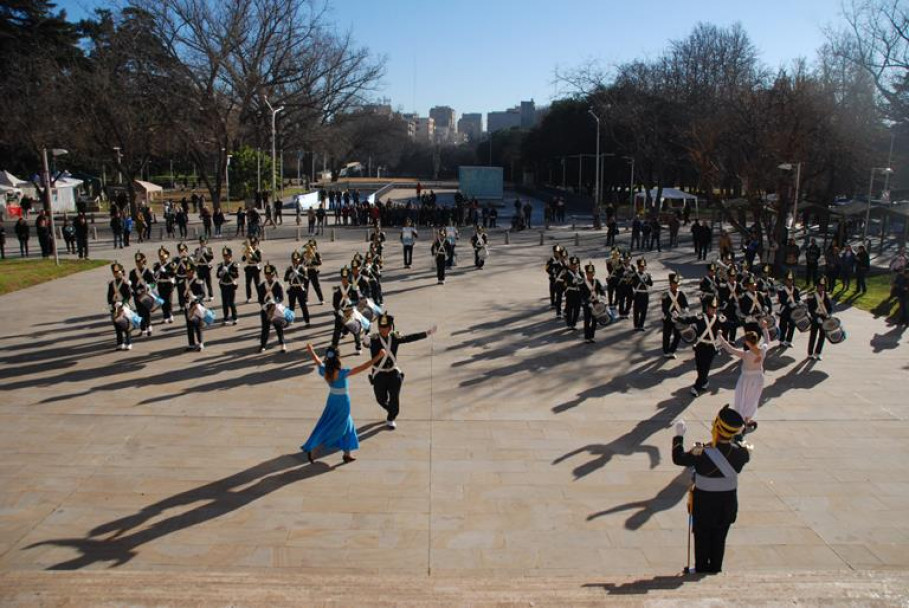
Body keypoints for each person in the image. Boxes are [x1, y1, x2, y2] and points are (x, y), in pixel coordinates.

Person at [672, 406, 751, 574]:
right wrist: (740, 433)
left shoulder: (702, 453)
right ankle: (716, 570)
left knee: (701, 539)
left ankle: (700, 569)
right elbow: (736, 443)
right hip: (726, 506)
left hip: (703, 505)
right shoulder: (742, 454)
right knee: (719, 539)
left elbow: (678, 459)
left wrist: (679, 437)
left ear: (716, 426)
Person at [301, 344, 382, 463]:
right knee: (337, 426)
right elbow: (363, 367)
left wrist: (311, 351)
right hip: (343, 402)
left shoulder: (325, 370)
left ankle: (347, 454)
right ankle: (314, 449)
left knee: (347, 425)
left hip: (332, 399)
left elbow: (318, 361)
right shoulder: (342, 372)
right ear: (338, 358)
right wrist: (378, 356)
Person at [367, 314, 436, 429]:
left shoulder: (394, 337)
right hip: (379, 374)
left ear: (390, 328)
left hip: (393, 373)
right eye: (380, 327)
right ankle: (392, 410)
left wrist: (426, 333)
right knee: (380, 399)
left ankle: (391, 418)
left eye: (385, 328)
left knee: (394, 398)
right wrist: (364, 341)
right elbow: (366, 344)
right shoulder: (373, 339)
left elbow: (409, 338)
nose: (382, 330)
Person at [718, 319, 771, 427]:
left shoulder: (746, 354)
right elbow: (767, 341)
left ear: (747, 342)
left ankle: (740, 419)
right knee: (752, 399)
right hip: (758, 378)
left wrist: (720, 337)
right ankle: (747, 418)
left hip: (746, 379)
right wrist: (765, 328)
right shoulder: (762, 350)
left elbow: (730, 349)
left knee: (741, 398)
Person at [690, 297, 724, 397]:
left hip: (710, 347)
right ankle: (704, 382)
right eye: (711, 308)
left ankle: (696, 387)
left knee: (705, 368)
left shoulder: (718, 320)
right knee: (700, 367)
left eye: (715, 309)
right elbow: (688, 320)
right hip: (700, 346)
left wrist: (743, 321)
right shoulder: (701, 318)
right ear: (707, 308)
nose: (713, 310)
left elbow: (731, 325)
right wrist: (677, 318)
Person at [331, 267, 363, 353]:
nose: (344, 280)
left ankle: (358, 347)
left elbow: (358, 301)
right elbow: (334, 303)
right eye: (342, 278)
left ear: (348, 278)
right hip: (341, 312)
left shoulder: (354, 288)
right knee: (337, 331)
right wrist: (339, 310)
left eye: (345, 278)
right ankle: (334, 347)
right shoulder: (337, 290)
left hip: (351, 312)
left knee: (355, 330)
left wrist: (350, 302)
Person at [257, 262, 287, 353]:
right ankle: (263, 345)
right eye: (266, 274)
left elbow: (281, 297)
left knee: (279, 328)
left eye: (270, 274)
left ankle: (282, 344)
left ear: (273, 274)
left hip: (275, 309)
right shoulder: (262, 285)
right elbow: (260, 298)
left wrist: (275, 302)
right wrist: (265, 306)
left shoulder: (277, 285)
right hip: (266, 309)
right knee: (265, 328)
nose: (268, 276)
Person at [661, 272, 690, 358]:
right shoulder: (665, 295)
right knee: (667, 335)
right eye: (674, 284)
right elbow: (664, 308)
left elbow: (686, 305)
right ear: (670, 284)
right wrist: (671, 316)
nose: (676, 286)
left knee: (678, 336)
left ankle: (672, 351)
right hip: (668, 318)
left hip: (678, 318)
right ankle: (666, 351)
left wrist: (685, 311)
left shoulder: (681, 294)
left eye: (677, 284)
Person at [107, 262, 133, 351]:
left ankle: (128, 342)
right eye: (114, 272)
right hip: (115, 306)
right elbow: (109, 295)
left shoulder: (125, 283)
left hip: (124, 306)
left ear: (121, 272)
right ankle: (120, 343)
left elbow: (128, 296)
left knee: (125, 325)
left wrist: (122, 304)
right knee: (117, 325)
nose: (116, 274)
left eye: (117, 272)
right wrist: (110, 305)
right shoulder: (111, 283)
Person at [129, 251, 156, 337]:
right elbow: (131, 284)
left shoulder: (148, 271)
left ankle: (149, 326)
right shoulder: (132, 272)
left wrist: (148, 286)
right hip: (137, 295)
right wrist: (134, 290)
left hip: (145, 294)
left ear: (143, 261)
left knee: (146, 312)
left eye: (139, 261)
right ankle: (143, 328)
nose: (138, 263)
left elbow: (153, 283)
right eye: (136, 262)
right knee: (140, 312)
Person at [807, 276, 833, 360]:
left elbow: (829, 307)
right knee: (813, 336)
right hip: (815, 318)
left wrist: (829, 314)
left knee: (822, 336)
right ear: (817, 286)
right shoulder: (811, 295)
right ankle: (810, 353)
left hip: (824, 317)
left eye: (823, 286)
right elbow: (810, 309)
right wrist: (816, 318)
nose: (822, 288)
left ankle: (818, 352)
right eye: (820, 286)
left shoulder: (826, 295)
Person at [182, 261, 207, 351]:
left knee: (197, 325)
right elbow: (183, 294)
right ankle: (191, 343)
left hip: (196, 306)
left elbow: (203, 294)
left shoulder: (197, 281)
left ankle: (200, 343)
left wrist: (196, 297)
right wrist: (185, 301)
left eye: (189, 271)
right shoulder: (184, 281)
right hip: (188, 306)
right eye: (187, 271)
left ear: (193, 272)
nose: (188, 273)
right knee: (189, 325)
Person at [579, 262, 606, 344]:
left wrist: (602, 298)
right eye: (589, 273)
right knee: (587, 321)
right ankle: (587, 337)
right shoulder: (583, 283)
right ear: (586, 273)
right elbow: (581, 294)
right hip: (587, 304)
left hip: (596, 303)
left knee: (594, 321)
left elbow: (601, 291)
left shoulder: (596, 282)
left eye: (592, 273)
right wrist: (586, 302)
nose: (590, 274)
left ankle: (591, 336)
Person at [285, 251, 311, 328]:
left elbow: (306, 279)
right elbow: (285, 279)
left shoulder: (302, 268)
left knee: (303, 306)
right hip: (292, 288)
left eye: (296, 259)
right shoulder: (289, 268)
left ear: (299, 260)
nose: (295, 261)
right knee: (291, 306)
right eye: (293, 259)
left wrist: (299, 274)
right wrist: (290, 276)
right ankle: (290, 320)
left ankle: (307, 321)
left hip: (300, 288)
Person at [776, 270, 801, 348]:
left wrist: (797, 303)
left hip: (793, 310)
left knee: (792, 326)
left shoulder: (796, 289)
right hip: (785, 310)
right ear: (785, 280)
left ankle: (789, 340)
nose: (790, 282)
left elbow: (797, 298)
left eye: (791, 280)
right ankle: (781, 340)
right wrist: (789, 304)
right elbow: (781, 300)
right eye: (788, 280)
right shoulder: (781, 290)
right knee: (783, 326)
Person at [558, 256, 583, 330]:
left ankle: (574, 323)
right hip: (570, 292)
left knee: (577, 309)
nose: (575, 266)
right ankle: (569, 323)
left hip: (578, 293)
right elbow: (561, 282)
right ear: (570, 265)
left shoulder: (580, 273)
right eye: (573, 265)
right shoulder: (566, 273)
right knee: (569, 308)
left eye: (576, 265)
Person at [216, 246, 239, 325]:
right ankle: (225, 318)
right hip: (223, 285)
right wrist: (221, 273)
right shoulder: (221, 265)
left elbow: (236, 275)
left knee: (231, 302)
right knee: (224, 303)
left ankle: (235, 318)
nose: (225, 257)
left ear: (230, 256)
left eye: (227, 256)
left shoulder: (234, 265)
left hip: (231, 285)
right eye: (224, 256)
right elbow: (217, 276)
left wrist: (229, 271)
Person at [153, 246, 176, 324]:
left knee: (169, 301)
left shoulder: (171, 264)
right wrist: (157, 272)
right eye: (160, 256)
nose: (162, 258)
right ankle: (165, 316)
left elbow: (173, 274)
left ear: (167, 256)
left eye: (163, 256)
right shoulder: (157, 265)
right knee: (162, 301)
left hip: (168, 284)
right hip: (160, 284)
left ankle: (170, 315)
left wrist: (165, 271)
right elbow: (155, 276)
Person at [545, 245, 566, 316]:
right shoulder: (551, 260)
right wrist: (552, 273)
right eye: (556, 252)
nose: (557, 253)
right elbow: (547, 268)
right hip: (553, 278)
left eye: (558, 252)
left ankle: (558, 304)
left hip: (561, 279)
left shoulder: (562, 260)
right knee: (552, 291)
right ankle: (553, 303)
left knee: (559, 293)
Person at [302, 240, 324, 304]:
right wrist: (305, 262)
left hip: (313, 270)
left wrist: (312, 261)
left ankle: (321, 299)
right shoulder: (304, 254)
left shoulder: (317, 254)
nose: (310, 248)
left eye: (312, 246)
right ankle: (306, 300)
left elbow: (320, 263)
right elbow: (301, 262)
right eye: (310, 246)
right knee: (305, 286)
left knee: (316, 286)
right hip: (306, 270)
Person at [193, 236, 215, 301]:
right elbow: (195, 258)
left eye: (203, 241)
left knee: (208, 282)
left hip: (206, 266)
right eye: (201, 241)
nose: (202, 243)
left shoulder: (209, 249)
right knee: (201, 282)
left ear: (206, 241)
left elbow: (211, 257)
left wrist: (206, 253)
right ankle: (203, 295)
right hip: (200, 267)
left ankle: (211, 295)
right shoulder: (197, 249)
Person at [242, 237, 262, 303]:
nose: (253, 245)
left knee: (257, 284)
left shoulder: (258, 251)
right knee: (248, 284)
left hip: (255, 268)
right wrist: (245, 253)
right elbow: (243, 259)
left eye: (255, 244)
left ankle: (260, 297)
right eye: (252, 244)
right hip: (249, 268)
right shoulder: (248, 250)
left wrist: (253, 253)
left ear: (257, 244)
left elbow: (259, 260)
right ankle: (249, 297)